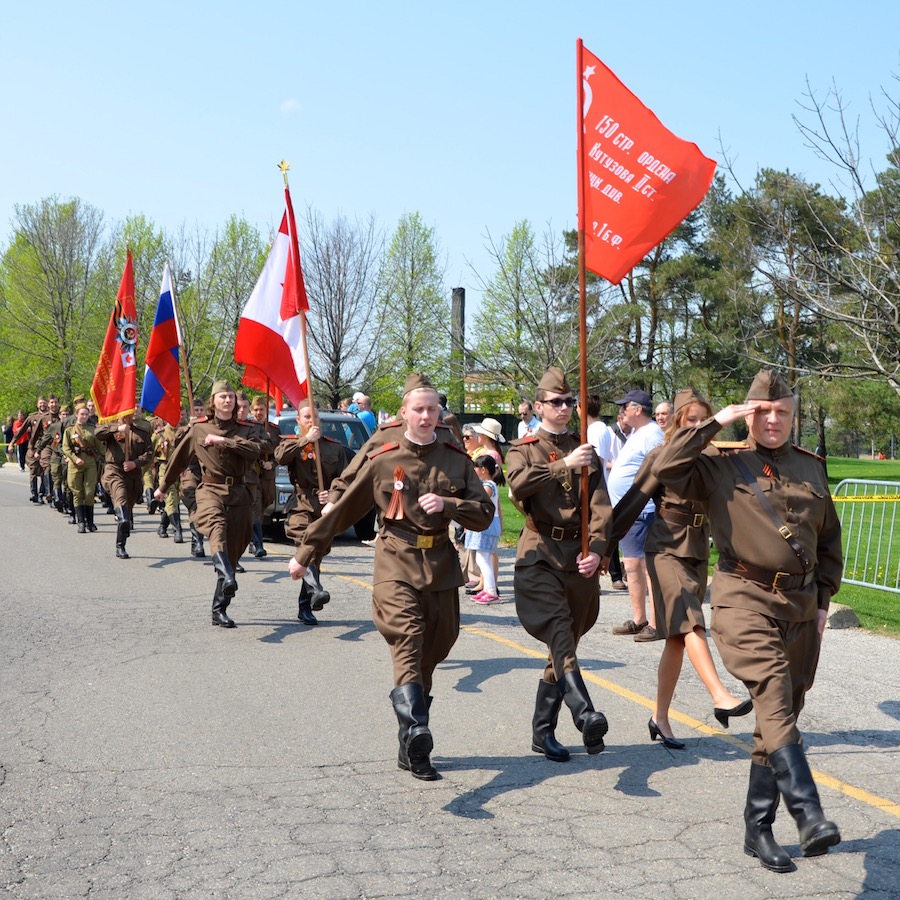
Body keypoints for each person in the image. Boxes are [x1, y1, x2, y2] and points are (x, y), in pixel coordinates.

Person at [653, 370, 842, 873]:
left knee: (778, 715)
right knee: (774, 691)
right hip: (743, 598)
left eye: (782, 412)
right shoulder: (719, 463)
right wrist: (717, 422)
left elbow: (828, 543)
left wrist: (823, 605)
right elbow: (666, 467)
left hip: (801, 609)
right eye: (763, 412)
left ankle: (757, 828)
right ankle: (809, 813)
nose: (774, 420)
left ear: (793, 415)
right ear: (748, 414)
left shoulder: (811, 467)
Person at [288, 373, 494, 780]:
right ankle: (419, 730)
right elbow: (346, 507)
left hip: (439, 563)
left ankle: (409, 738)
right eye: (418, 409)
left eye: (432, 409)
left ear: (440, 414)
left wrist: (450, 504)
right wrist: (306, 553)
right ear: (403, 413)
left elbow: (484, 513)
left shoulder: (455, 457)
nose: (425, 416)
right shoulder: (383, 456)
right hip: (395, 558)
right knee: (408, 638)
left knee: (435, 647)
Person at [610, 388, 752, 749]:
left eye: (704, 422)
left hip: (697, 550)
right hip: (665, 548)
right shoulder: (662, 455)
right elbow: (632, 501)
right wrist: (599, 546)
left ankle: (659, 718)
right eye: (690, 421)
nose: (698, 427)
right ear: (676, 423)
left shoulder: (715, 459)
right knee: (691, 620)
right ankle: (720, 694)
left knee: (676, 638)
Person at [506, 367, 612, 762]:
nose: (564, 408)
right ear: (539, 406)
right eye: (556, 402)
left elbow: (601, 509)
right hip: (540, 556)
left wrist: (598, 550)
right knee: (561, 634)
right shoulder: (524, 448)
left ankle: (542, 733)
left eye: (570, 402)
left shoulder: (586, 450)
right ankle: (584, 713)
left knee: (564, 645)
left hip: (578, 558)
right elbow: (517, 485)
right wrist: (564, 463)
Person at [156, 381, 265, 627]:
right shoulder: (199, 430)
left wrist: (224, 442)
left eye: (230, 397)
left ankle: (219, 608)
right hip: (209, 489)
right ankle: (226, 574)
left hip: (239, 492)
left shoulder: (246, 429)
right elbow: (177, 461)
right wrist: (163, 488)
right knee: (217, 528)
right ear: (213, 403)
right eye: (222, 397)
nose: (228, 400)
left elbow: (256, 451)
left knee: (234, 549)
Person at [274, 401, 346, 625]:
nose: (312, 422)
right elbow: (279, 456)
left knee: (316, 554)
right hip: (300, 504)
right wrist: (306, 440)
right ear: (299, 421)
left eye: (315, 417)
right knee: (305, 543)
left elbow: (343, 479)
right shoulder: (293, 444)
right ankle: (315, 591)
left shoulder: (334, 447)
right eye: (306, 417)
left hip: (323, 508)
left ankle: (307, 603)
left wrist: (332, 496)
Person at [607, 389, 664, 641]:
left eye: (625, 407)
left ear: (638, 409)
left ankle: (655, 622)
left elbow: (660, 469)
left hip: (643, 511)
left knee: (645, 567)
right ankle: (640, 619)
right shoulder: (639, 433)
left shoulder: (652, 434)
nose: (622, 412)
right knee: (632, 566)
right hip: (631, 513)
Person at [94, 411, 154, 558]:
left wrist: (135, 463)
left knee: (128, 508)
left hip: (133, 475)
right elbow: (97, 433)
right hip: (114, 471)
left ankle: (122, 538)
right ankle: (121, 533)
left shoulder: (142, 432)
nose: (127, 415)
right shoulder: (110, 427)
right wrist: (117, 428)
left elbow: (149, 453)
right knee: (121, 499)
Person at [593, 402, 630, 591]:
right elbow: (602, 461)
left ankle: (628, 570)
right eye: (626, 417)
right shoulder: (609, 433)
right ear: (619, 418)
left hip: (630, 490)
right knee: (612, 532)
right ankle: (616, 575)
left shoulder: (635, 435)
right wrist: (619, 466)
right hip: (610, 488)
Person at [465, 454, 503, 604]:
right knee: (483, 558)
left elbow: (478, 502)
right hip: (485, 524)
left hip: (485, 524)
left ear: (483, 469)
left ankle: (492, 591)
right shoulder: (487, 485)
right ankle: (487, 589)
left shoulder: (488, 486)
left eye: (476, 468)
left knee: (482, 558)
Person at [62, 401, 101, 533]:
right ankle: (81, 522)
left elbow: (100, 446)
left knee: (90, 492)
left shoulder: (92, 429)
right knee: (77, 492)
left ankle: (90, 522)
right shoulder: (70, 430)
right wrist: (74, 458)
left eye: (86, 414)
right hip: (75, 463)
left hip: (90, 462)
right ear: (76, 415)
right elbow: (66, 448)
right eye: (82, 414)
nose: (84, 416)